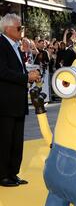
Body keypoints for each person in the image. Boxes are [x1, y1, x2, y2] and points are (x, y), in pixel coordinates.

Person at [0, 13, 41, 187]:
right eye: (19, 27)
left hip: (17, 101)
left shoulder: (16, 46)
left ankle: (13, 173)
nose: (21, 30)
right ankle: (2, 175)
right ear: (8, 29)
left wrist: (30, 76)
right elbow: (2, 72)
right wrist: (26, 77)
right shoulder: (1, 45)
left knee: (17, 140)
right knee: (5, 140)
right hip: (5, 102)